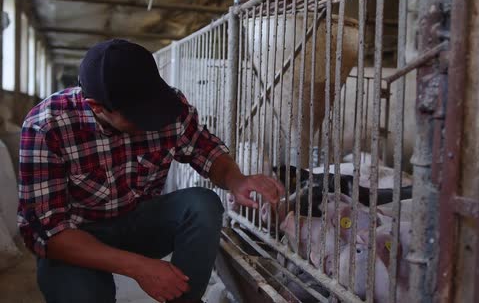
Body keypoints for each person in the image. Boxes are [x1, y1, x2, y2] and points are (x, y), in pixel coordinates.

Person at [17, 39, 284, 303]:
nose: (153, 121)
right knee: (81, 295)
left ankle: (184, 299)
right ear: (96, 106)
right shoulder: (46, 127)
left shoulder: (170, 106)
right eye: (138, 116)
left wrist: (236, 180)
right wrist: (139, 267)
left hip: (137, 220)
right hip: (78, 237)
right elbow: (48, 234)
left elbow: (206, 150)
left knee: (202, 205)